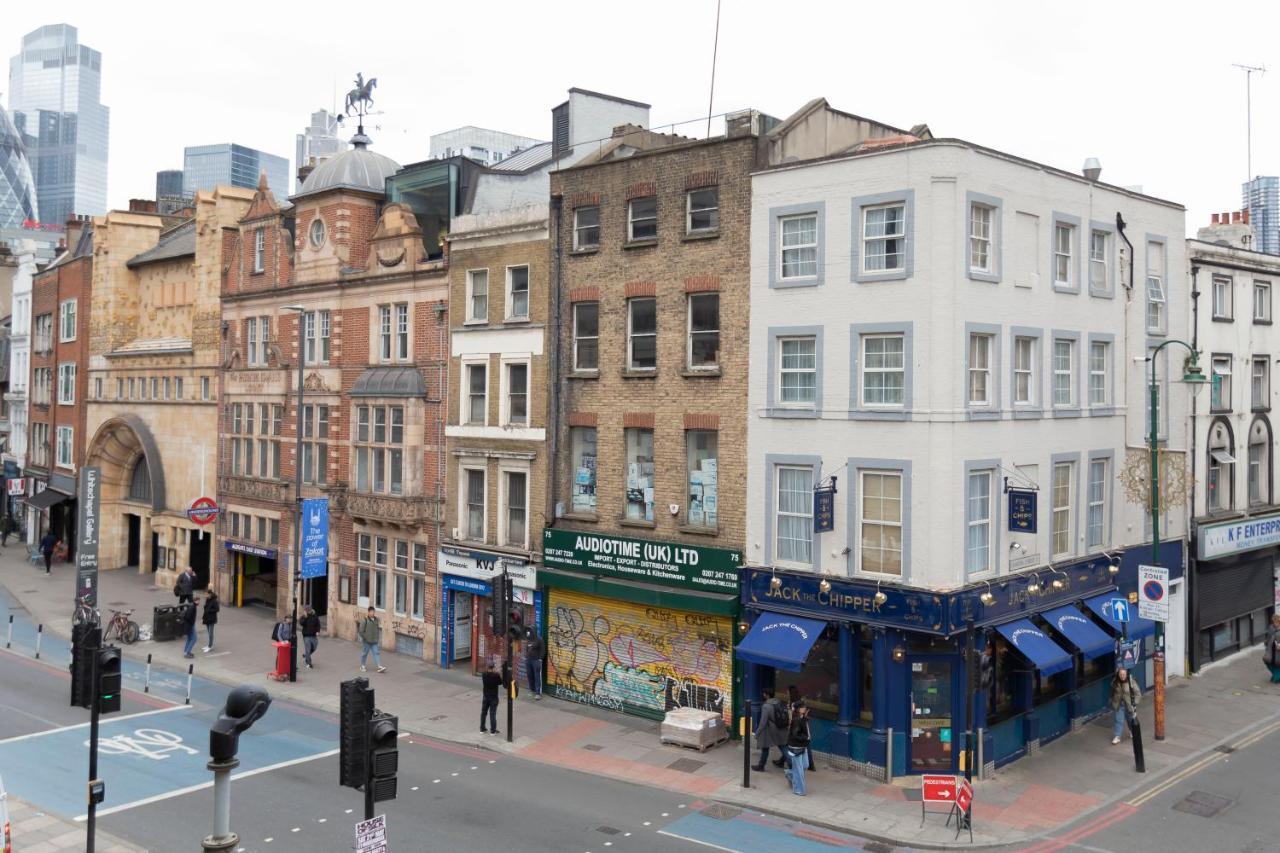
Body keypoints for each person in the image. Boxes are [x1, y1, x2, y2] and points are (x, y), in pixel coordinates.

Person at [752, 689, 789, 772]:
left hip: (771, 731)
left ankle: (761, 766)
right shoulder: (779, 702)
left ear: (767, 695)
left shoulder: (766, 706)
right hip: (782, 729)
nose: (763, 695)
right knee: (783, 746)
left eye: (764, 694)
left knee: (766, 747)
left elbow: (763, 723)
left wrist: (757, 734)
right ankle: (784, 763)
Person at [783, 703, 812, 796]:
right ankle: (799, 790)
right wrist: (806, 737)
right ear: (798, 709)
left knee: (805, 765)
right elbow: (795, 735)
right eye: (803, 707)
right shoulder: (796, 720)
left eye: (805, 707)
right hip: (796, 747)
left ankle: (789, 774)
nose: (805, 709)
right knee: (799, 769)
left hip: (803, 745)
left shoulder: (803, 718)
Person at [1109, 666, 1140, 745]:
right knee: (1118, 720)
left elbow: (1138, 694)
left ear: (1126, 674)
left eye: (1124, 674)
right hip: (1119, 705)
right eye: (1121, 674)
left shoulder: (1131, 682)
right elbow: (1112, 693)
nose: (1122, 676)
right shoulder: (1115, 682)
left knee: (1130, 720)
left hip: (1129, 705)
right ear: (1118, 674)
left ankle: (1132, 731)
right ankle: (1117, 736)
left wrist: (1135, 703)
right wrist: (1112, 701)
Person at [480, 658, 505, 734]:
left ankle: (482, 728)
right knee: (492, 714)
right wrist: (499, 673)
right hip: (493, 697)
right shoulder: (496, 675)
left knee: (483, 713)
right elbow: (500, 683)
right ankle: (493, 731)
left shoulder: (484, 674)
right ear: (493, 667)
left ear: (487, 667)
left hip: (485, 696)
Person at [358, 606, 386, 673]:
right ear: (368, 612)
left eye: (373, 612)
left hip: (374, 641)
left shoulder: (376, 620)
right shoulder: (365, 620)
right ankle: (362, 666)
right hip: (367, 641)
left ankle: (379, 666)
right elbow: (361, 631)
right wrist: (366, 638)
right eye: (371, 612)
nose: (372, 613)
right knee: (365, 653)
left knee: (376, 653)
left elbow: (377, 629)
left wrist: (377, 638)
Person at [524, 628, 544, 699]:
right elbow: (526, 648)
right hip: (528, 660)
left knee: (537, 676)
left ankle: (538, 693)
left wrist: (540, 659)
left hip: (536, 660)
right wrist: (526, 657)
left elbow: (542, 650)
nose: (529, 633)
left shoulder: (539, 639)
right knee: (529, 675)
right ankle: (532, 690)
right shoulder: (529, 639)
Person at [1264, 614, 1280, 683]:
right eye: (1273, 621)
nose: (1274, 623)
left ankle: (1277, 676)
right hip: (1271, 649)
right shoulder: (1271, 628)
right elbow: (1268, 638)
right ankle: (1276, 675)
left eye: (1276, 622)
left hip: (1278, 651)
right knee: (1267, 661)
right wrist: (1266, 643)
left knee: (1277, 664)